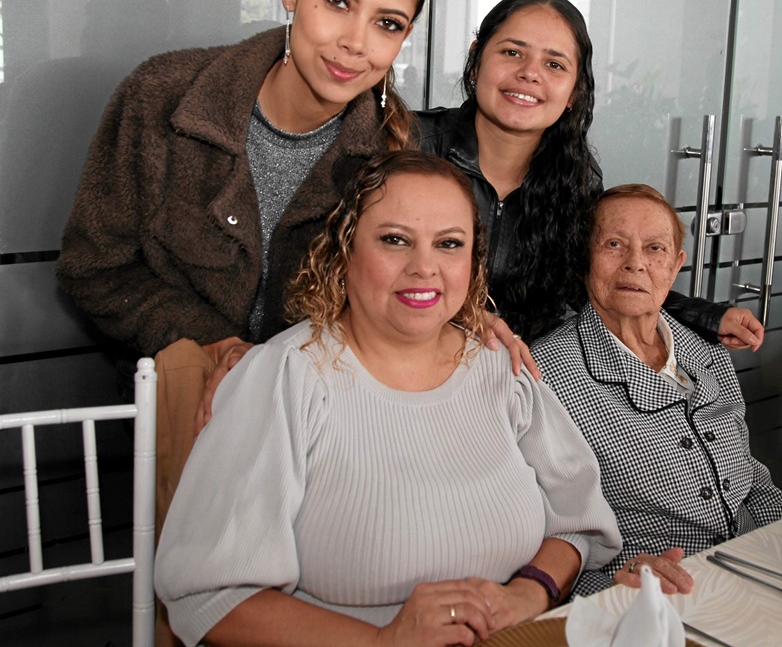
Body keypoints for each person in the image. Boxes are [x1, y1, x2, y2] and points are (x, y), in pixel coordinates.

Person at [154, 151, 622, 647]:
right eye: (395, 240)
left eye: (449, 244)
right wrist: (383, 640)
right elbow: (209, 595)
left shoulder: (500, 369)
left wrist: (528, 595)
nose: (425, 268)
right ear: (343, 251)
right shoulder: (285, 376)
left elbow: (579, 522)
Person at [55, 0, 425, 360]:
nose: (355, 42)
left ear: (404, 37)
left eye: (387, 23)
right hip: (182, 407)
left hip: (320, 408)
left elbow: (396, 294)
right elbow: (94, 269)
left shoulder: (395, 149)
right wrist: (212, 343)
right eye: (336, 0)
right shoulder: (161, 96)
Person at [417, 0, 765, 349]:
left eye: (554, 64)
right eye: (512, 52)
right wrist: (466, 315)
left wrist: (705, 316)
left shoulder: (575, 177)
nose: (529, 74)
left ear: (573, 94)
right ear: (476, 61)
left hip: (518, 371)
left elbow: (602, 279)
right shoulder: (411, 143)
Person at [531, 184, 782, 597]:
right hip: (646, 599)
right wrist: (609, 586)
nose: (636, 264)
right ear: (586, 258)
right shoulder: (547, 375)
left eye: (655, 249)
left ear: (676, 265)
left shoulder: (703, 349)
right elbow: (537, 536)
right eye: (615, 244)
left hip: (757, 572)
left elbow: (752, 475)